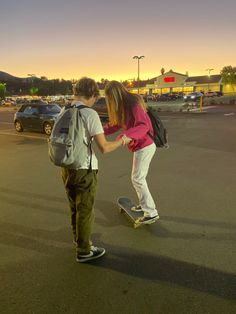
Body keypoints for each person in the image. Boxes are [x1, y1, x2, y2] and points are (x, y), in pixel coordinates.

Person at [61, 77, 131, 263]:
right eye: (95, 98)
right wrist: (123, 141)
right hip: (84, 168)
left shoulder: (65, 109)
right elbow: (105, 148)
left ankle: (79, 240)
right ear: (92, 94)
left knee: (74, 207)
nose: (95, 102)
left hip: (67, 167)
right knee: (85, 209)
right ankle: (84, 251)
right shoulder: (89, 114)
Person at [104, 81, 159, 224]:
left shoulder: (134, 103)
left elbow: (143, 125)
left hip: (145, 146)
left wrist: (124, 137)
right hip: (139, 146)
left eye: (109, 97)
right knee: (138, 178)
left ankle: (151, 212)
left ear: (115, 95)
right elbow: (116, 124)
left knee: (137, 178)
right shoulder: (123, 107)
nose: (109, 101)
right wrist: (99, 131)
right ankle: (144, 204)